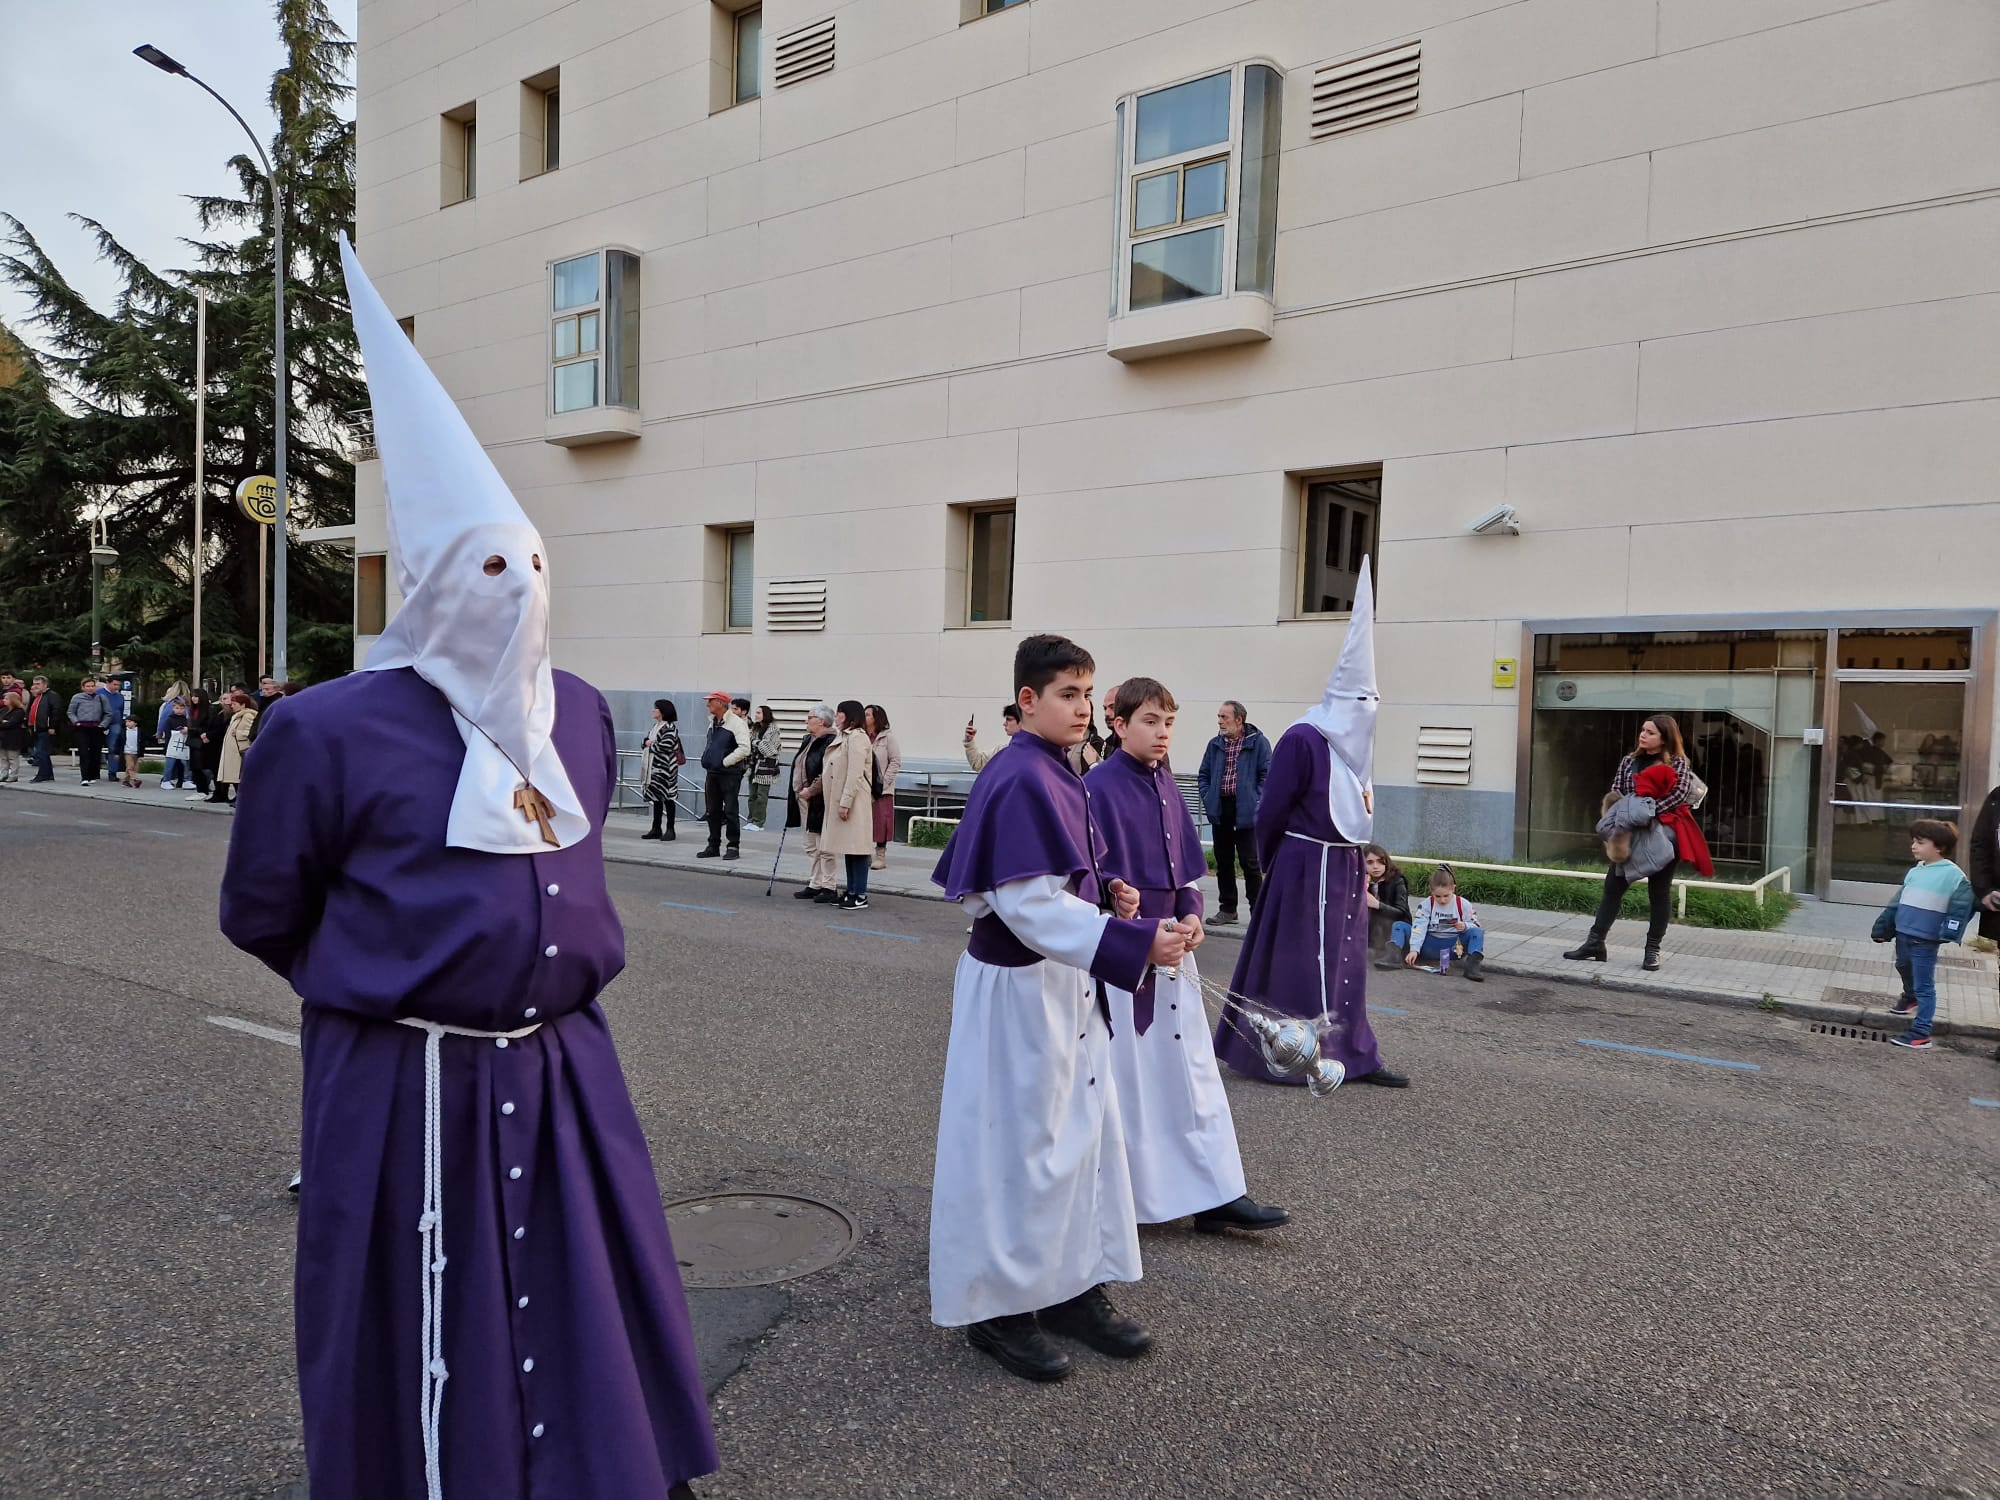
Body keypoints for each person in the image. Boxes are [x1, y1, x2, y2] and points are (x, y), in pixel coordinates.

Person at [219, 235, 715, 1500]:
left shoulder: (587, 714)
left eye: (535, 566)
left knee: (579, 1306)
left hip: (562, 1070)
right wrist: (400, 987)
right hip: (403, 1073)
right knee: (414, 1323)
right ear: (433, 583)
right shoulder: (325, 727)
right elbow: (266, 911)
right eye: (490, 569)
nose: (520, 592)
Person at [929, 634, 1184, 1383]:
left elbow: (1063, 882)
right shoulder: (1017, 777)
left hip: (1064, 985)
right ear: (1029, 702)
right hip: (1019, 994)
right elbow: (1025, 905)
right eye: (1067, 695)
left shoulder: (1057, 770)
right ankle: (998, 1309)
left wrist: (1108, 896)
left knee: (1080, 1137)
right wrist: (1132, 939)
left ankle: (1069, 1287)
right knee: (1018, 1148)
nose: (1083, 708)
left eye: (1087, 693)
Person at [1088, 676, 1288, 1236]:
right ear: (1120, 724)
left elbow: (1187, 867)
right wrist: (1116, 895)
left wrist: (1195, 912)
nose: (1162, 733)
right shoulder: (1096, 786)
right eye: (1150, 722)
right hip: (1127, 950)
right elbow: (1088, 870)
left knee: (1194, 1073)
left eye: (1169, 722)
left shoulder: (1169, 783)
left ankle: (1217, 1191)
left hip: (1177, 949)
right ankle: (1131, 1196)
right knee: (1135, 1076)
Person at [1213, 560, 1409, 1090]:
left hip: (1342, 864)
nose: (1367, 710)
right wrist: (1277, 863)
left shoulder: (1357, 744)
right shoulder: (1303, 737)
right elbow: (1271, 808)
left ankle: (1353, 1053)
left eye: (1373, 702)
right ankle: (1284, 1054)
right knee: (1298, 963)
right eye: (1360, 701)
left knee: (1347, 962)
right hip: (1302, 864)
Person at [1563, 715, 1711, 972]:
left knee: (1659, 892)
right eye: (1643, 730)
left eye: (1650, 732)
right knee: (1613, 886)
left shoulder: (1678, 763)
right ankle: (1595, 943)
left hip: (1664, 835)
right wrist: (1628, 815)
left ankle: (1652, 951)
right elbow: (1618, 790)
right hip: (1629, 833)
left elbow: (1678, 797)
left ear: (1664, 737)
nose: (1643, 735)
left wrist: (1647, 813)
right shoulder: (1628, 761)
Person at [1871, 818, 1974, 1051]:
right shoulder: (1916, 870)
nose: (1913, 846)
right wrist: (1883, 928)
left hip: (1926, 939)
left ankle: (1921, 1033)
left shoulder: (1953, 875)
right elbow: (1897, 902)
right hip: (1903, 933)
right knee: (1902, 965)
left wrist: (1949, 931)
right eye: (1913, 842)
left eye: (1920, 842)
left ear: (1939, 847)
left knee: (1925, 986)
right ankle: (1910, 997)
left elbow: (1962, 905)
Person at [1197, 702, 1273, 926]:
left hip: (1247, 811)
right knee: (1224, 861)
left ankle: (1257, 912)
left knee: (1250, 862)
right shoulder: (1215, 745)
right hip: (1222, 809)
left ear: (1239, 720)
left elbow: (1267, 776)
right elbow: (1204, 774)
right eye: (1219, 716)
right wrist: (1208, 796)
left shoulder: (1258, 743)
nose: (1220, 721)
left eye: (1224, 717)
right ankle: (1228, 909)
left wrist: (1256, 801)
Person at [821, 700, 876, 910]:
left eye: (839, 713)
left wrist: (845, 803)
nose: (836, 716)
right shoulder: (845, 736)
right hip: (845, 799)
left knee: (858, 849)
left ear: (849, 715)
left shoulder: (857, 738)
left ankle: (860, 894)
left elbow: (854, 773)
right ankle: (851, 891)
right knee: (848, 847)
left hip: (855, 801)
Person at [788, 704, 840, 903]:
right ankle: (815, 883)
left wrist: (811, 790)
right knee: (810, 844)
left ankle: (829, 885)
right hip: (803, 798)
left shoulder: (830, 741)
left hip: (819, 799)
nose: (806, 720)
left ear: (822, 721)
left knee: (824, 844)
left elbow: (826, 772)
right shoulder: (809, 739)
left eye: (810, 717)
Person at [1397, 866, 1486, 981]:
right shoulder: (1426, 904)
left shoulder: (1463, 904)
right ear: (1431, 891)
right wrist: (1414, 949)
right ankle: (1393, 956)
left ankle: (1472, 967)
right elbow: (1419, 927)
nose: (1442, 900)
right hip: (1429, 945)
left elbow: (1475, 924)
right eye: (1437, 896)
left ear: (1453, 889)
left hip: (1454, 948)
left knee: (1477, 932)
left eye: (1446, 896)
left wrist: (1465, 926)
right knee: (1399, 925)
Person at [696, 690, 750, 860]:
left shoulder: (736, 723)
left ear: (720, 703)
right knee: (712, 810)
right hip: (713, 771)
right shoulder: (712, 722)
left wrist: (725, 762)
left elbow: (745, 748)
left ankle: (733, 846)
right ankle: (713, 845)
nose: (707, 705)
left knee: (731, 810)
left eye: (711, 701)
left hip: (729, 773)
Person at [639, 699, 682, 841]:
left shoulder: (669, 727)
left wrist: (649, 745)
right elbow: (645, 741)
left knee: (668, 798)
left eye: (656, 708)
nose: (653, 710)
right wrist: (647, 743)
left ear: (663, 711)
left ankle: (670, 829)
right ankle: (656, 828)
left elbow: (666, 746)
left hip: (666, 769)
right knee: (656, 798)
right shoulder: (656, 726)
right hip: (654, 769)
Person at [1364, 844, 1411, 968]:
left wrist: (1377, 905)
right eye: (1370, 862)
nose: (1375, 866)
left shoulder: (1398, 880)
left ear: (1386, 862)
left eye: (1380, 862)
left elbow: (1402, 912)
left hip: (1395, 928)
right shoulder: (1361, 881)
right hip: (1372, 929)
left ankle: (1389, 953)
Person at [866, 704, 901, 871]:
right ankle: (864, 853)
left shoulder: (888, 738)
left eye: (868, 715)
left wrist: (883, 782)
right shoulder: (862, 737)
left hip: (882, 789)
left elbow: (895, 761)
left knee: (881, 821)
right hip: (863, 786)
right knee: (864, 821)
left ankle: (880, 855)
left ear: (876, 718)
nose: (865, 718)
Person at [213, 691, 257, 804]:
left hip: (239, 750)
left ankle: (242, 799)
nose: (232, 706)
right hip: (232, 750)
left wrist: (238, 733)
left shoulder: (247, 715)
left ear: (243, 705)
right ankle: (238, 798)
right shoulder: (236, 716)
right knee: (233, 776)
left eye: (235, 704)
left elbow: (250, 732)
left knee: (237, 776)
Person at [744, 705, 782, 832]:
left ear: (765, 714)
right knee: (752, 796)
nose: (756, 715)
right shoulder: (755, 728)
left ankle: (759, 822)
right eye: (756, 712)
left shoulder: (773, 730)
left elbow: (769, 749)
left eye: (759, 712)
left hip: (766, 767)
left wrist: (755, 742)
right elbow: (748, 742)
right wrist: (756, 743)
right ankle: (750, 820)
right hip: (753, 766)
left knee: (761, 796)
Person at [67, 676, 108, 785]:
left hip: (96, 728)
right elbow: (71, 712)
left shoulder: (101, 697)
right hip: (82, 728)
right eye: (87, 686)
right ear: (83, 687)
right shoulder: (77, 698)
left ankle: (92, 775)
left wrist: (103, 725)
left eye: (92, 686)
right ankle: (84, 777)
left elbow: (108, 713)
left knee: (95, 753)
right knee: (84, 752)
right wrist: (76, 722)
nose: (90, 688)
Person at [187, 689, 223, 798]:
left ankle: (205, 790)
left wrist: (191, 730)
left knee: (203, 767)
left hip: (203, 741)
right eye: (192, 696)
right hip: (194, 741)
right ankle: (201, 790)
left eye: (196, 696)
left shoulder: (209, 710)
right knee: (195, 767)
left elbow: (208, 726)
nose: (194, 699)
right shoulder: (193, 710)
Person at [963, 704, 1021, 771]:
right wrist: (969, 741)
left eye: (1009, 719)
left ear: (1022, 721)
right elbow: (979, 763)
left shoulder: (1033, 753)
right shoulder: (1002, 750)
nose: (1004, 724)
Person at [25, 675, 60, 782]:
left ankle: (42, 774)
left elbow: (56, 711)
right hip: (36, 728)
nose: (35, 686)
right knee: (43, 752)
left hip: (46, 728)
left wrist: (52, 726)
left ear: (45, 684)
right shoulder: (38, 696)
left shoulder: (52, 696)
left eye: (38, 684)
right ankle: (48, 774)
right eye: (34, 684)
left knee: (41, 752)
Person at [0, 688, 25, 782]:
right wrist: (3, 722)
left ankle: (13, 775)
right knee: (3, 758)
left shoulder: (19, 711)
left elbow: (12, 723)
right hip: (2, 738)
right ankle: (3, 774)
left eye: (6, 699)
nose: (4, 701)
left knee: (12, 758)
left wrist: (4, 723)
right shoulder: (3, 710)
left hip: (13, 737)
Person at [117, 714, 143, 789]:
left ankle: (126, 781)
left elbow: (142, 743)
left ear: (135, 723)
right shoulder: (123, 731)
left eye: (130, 721)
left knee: (134, 768)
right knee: (130, 766)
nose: (127, 723)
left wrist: (141, 754)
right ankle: (136, 780)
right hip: (127, 752)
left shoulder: (139, 731)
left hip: (136, 752)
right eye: (126, 722)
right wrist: (116, 752)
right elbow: (118, 742)